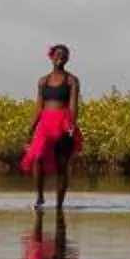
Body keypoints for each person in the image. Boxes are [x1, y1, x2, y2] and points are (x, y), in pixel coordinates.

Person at [19, 43, 81, 215]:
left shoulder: (72, 80)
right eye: (57, 54)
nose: (60, 57)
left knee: (62, 165)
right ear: (51, 57)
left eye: (64, 55)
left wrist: (71, 127)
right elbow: (39, 106)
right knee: (37, 157)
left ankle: (60, 205)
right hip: (45, 123)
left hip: (63, 122)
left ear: (67, 59)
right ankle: (39, 196)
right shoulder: (43, 81)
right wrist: (30, 129)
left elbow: (74, 106)